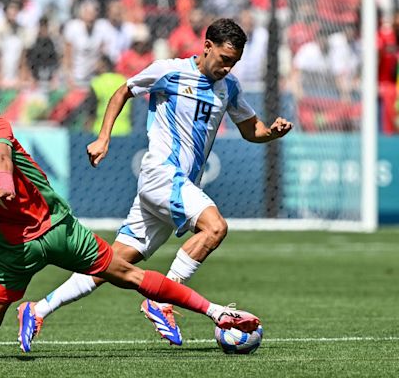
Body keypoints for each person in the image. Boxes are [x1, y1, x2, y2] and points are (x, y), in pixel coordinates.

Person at [0, 77, 260, 353]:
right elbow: (0, 152)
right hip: (59, 229)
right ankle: (215, 312)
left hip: (14, 247)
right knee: (130, 274)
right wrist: (4, 180)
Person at [18, 18, 292, 351]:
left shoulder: (230, 87)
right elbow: (124, 90)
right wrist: (103, 138)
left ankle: (37, 309)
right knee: (215, 227)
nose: (226, 68)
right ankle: (162, 300)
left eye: (232, 62)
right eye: (223, 59)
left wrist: (271, 133)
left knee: (113, 264)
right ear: (207, 47)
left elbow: (252, 130)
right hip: (162, 174)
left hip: (175, 185)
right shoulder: (170, 71)